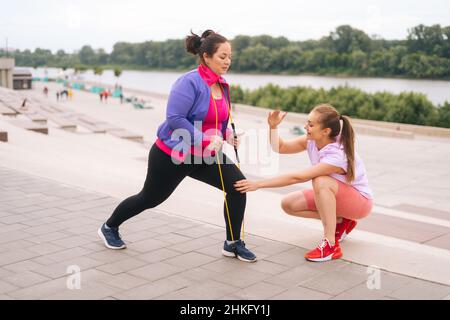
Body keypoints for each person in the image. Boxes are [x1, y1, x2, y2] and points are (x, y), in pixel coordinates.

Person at [98, 30, 257, 263]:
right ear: (206, 56)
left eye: (230, 57)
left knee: (237, 186)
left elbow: (219, 119)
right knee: (150, 198)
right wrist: (205, 139)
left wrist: (229, 134)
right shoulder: (188, 82)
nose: (227, 61)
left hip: (206, 155)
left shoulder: (222, 85)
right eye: (222, 56)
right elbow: (175, 118)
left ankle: (232, 243)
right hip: (173, 154)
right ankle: (109, 227)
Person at [234, 104, 373, 262]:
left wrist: (258, 184)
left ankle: (330, 246)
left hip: (360, 203)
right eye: (307, 122)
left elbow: (298, 177)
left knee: (321, 181)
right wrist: (273, 127)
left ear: (326, 131)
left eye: (311, 124)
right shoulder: (313, 140)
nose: (306, 127)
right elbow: (281, 147)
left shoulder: (337, 154)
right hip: (341, 196)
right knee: (289, 204)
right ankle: (341, 221)